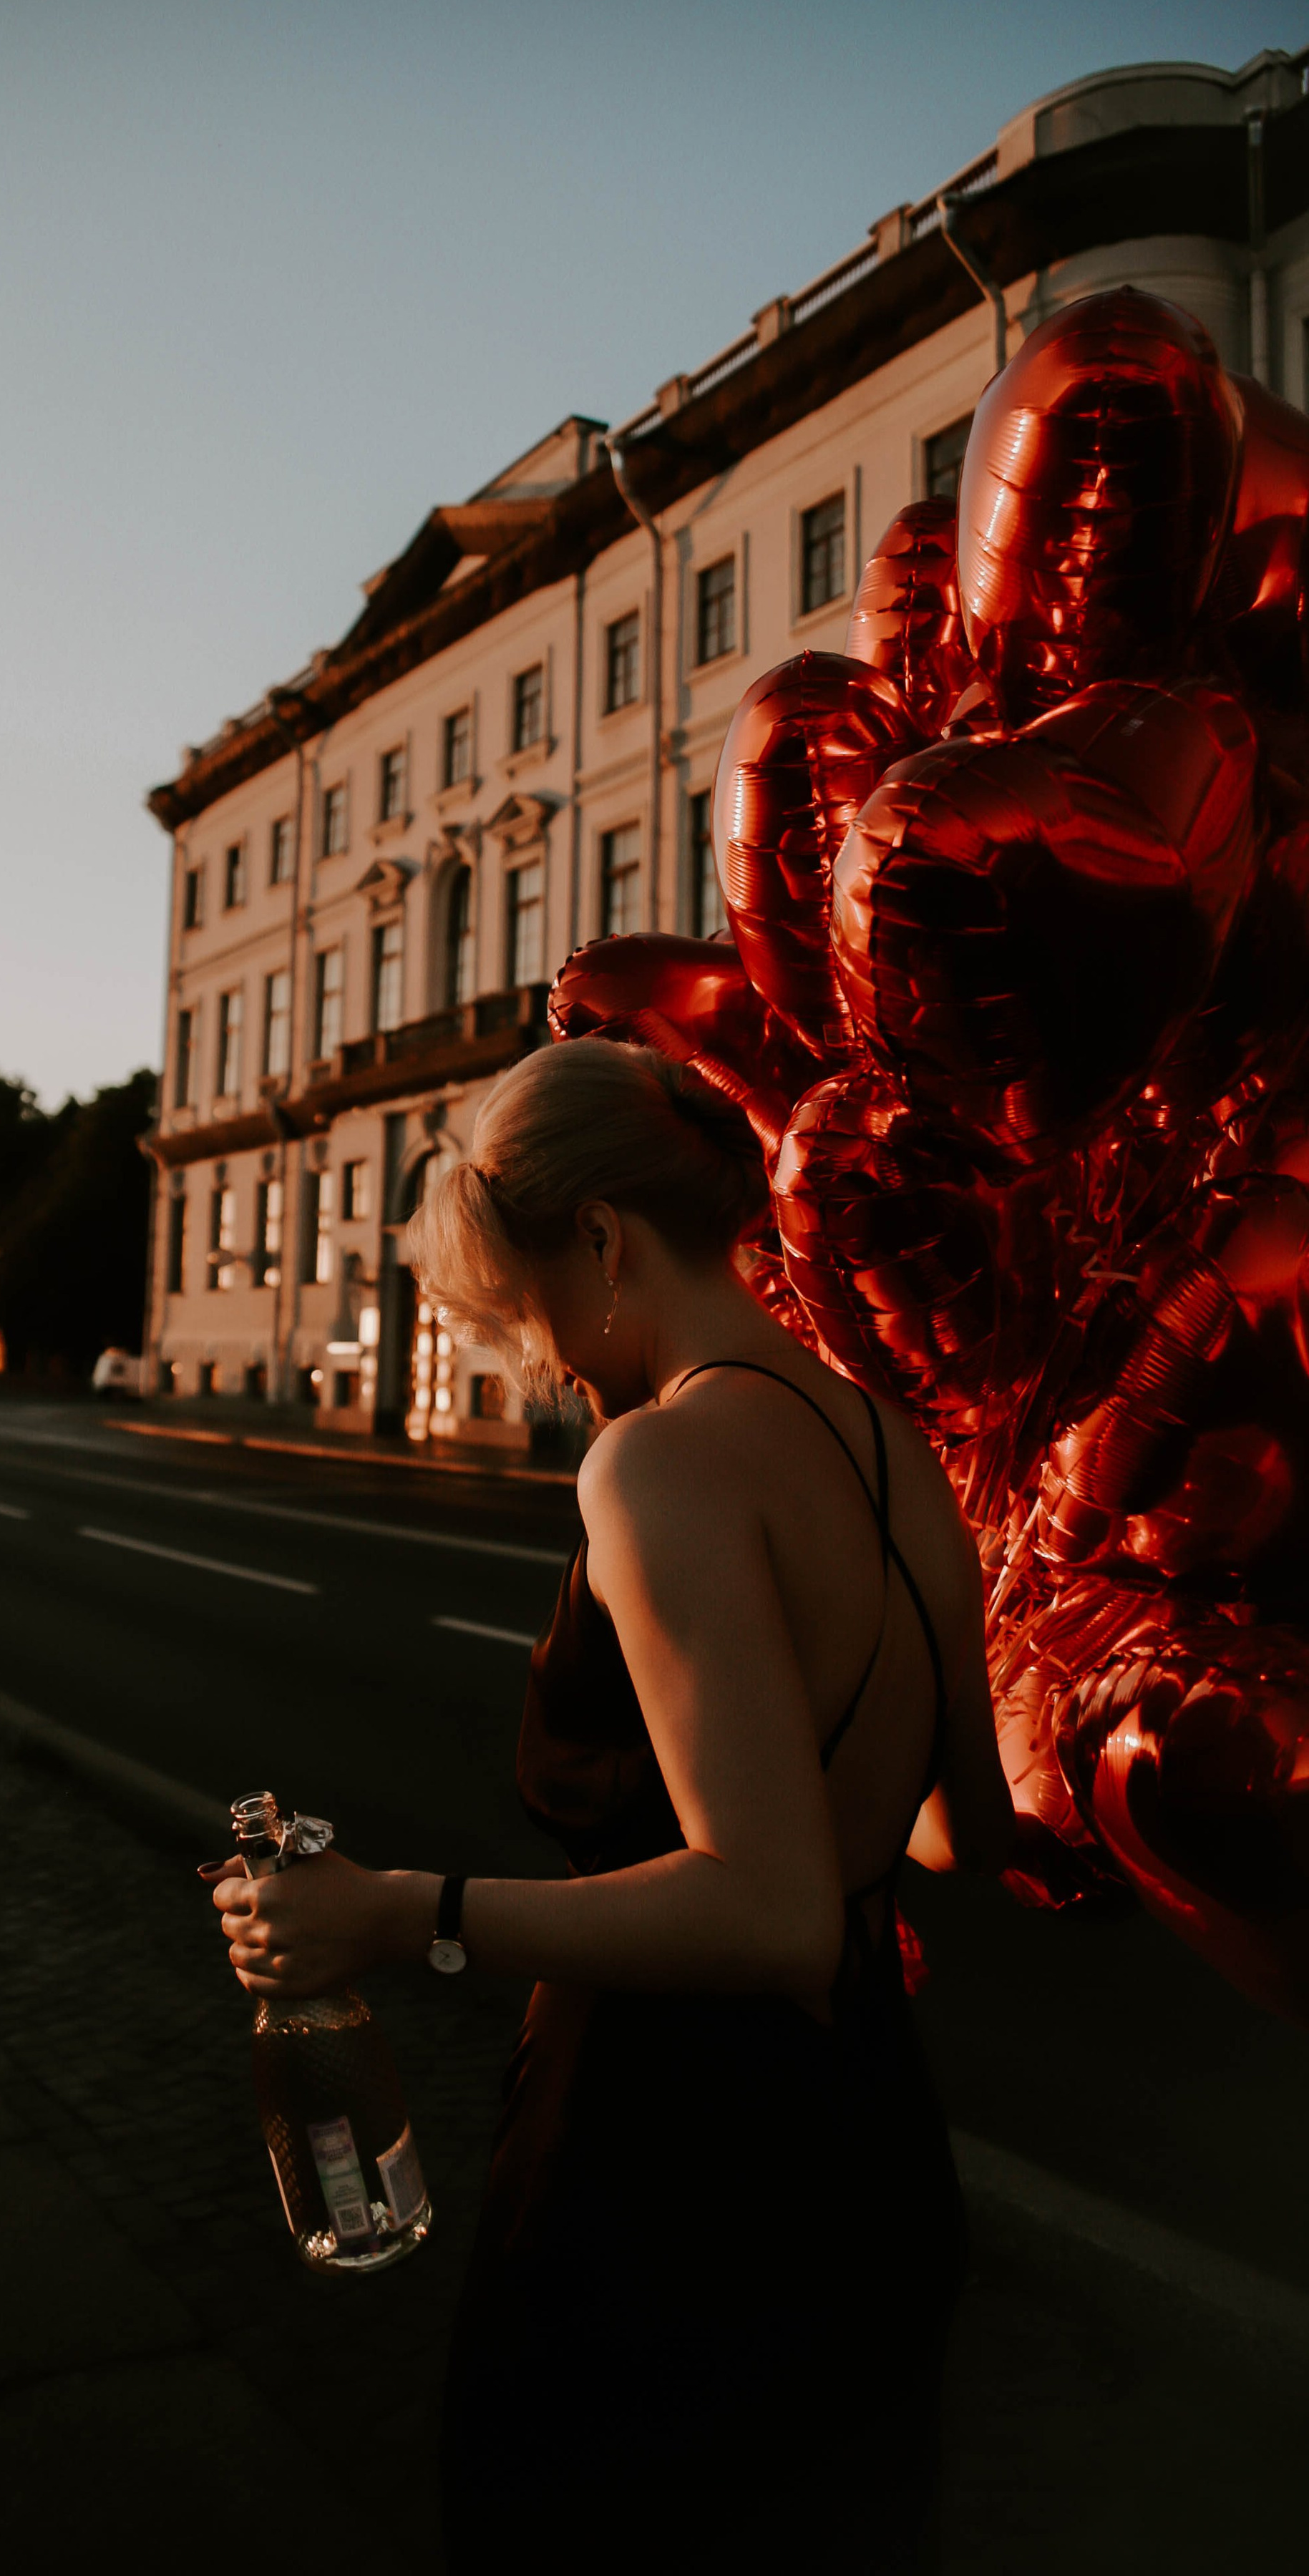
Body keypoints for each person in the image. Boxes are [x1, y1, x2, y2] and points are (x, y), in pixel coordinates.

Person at [210, 1038, 1019, 2571]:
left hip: (673, 2175)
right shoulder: (896, 1449)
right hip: (868, 2150)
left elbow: (767, 1913)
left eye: (520, 1311)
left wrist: (399, 1912)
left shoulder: (659, 1461)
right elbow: (955, 1831)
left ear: (598, 1241)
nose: (547, 1363)